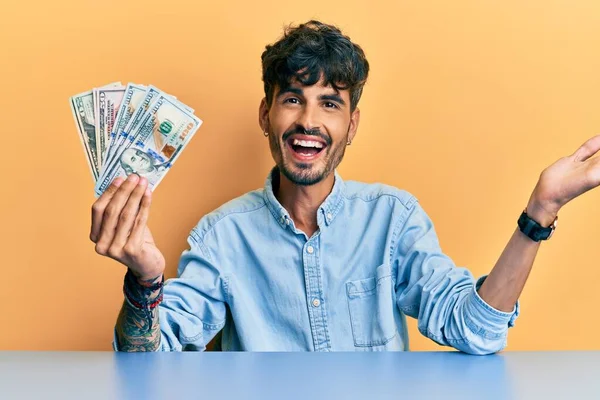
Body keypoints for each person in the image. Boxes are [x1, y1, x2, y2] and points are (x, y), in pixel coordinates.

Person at [90, 20, 600, 353]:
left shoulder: (393, 219)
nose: (308, 120)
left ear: (352, 125)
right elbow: (148, 364)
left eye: (330, 103)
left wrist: (541, 210)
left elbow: (477, 330)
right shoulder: (221, 238)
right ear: (266, 115)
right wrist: (145, 280)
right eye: (293, 99)